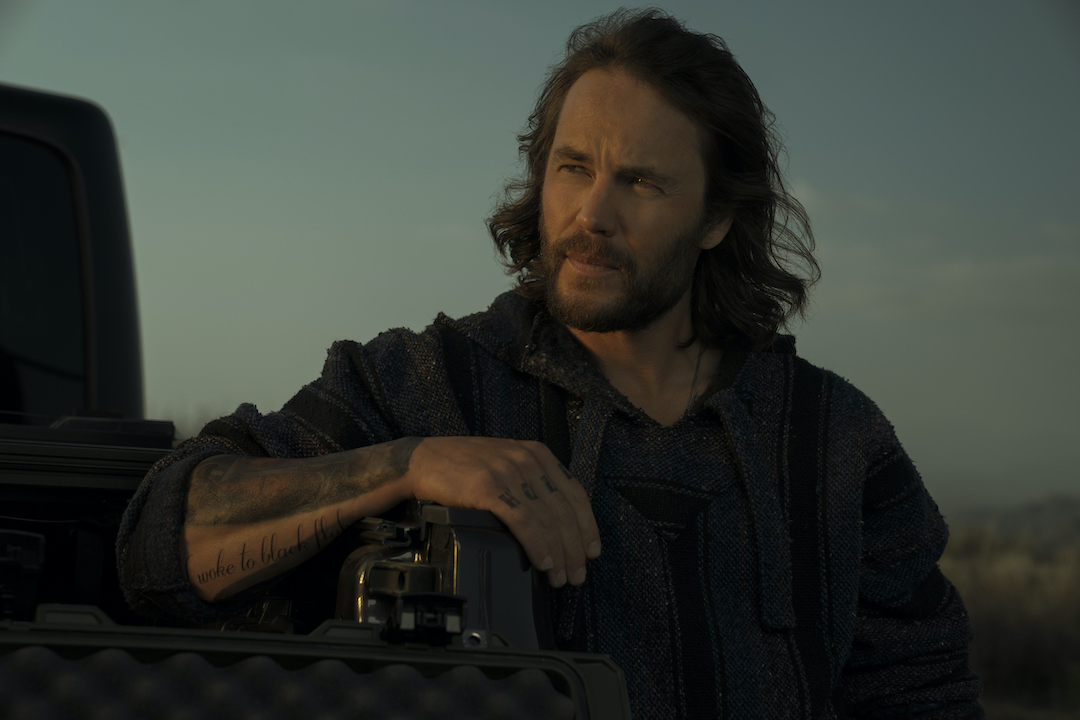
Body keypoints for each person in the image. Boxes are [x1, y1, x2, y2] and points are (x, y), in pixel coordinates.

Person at [117, 9, 983, 719]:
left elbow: (925, 696)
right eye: (574, 168)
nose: (591, 214)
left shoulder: (835, 444)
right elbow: (163, 543)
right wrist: (406, 464)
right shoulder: (426, 384)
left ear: (718, 218)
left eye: (640, 182)